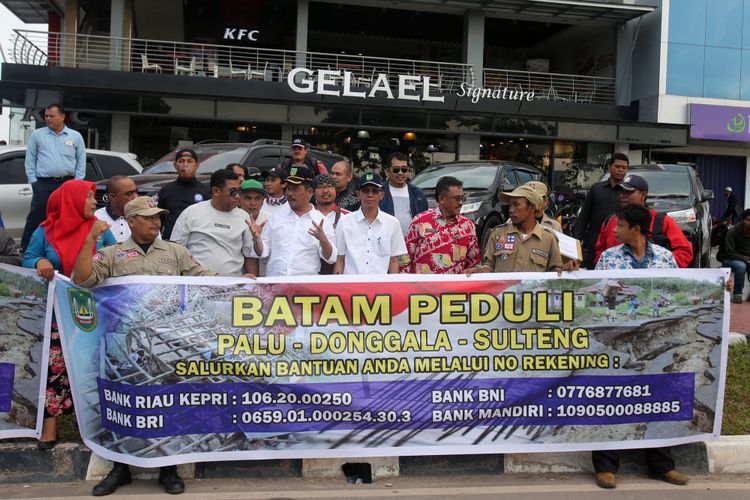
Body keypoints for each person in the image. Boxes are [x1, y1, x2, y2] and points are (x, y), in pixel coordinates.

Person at [72, 196, 217, 496]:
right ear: (131, 222)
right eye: (149, 217)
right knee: (123, 405)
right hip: (125, 347)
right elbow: (82, 278)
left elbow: (206, 281)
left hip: (169, 345)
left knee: (171, 402)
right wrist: (90, 240)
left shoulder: (176, 252)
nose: (156, 222)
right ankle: (120, 469)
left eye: (158, 217)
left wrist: (243, 282)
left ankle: (169, 470)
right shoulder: (112, 254)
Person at [592, 204, 687, 489]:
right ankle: (606, 467)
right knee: (612, 399)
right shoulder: (609, 259)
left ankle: (662, 465)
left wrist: (723, 286)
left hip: (656, 338)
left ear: (636, 229)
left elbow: (678, 292)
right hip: (620, 340)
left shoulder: (665, 258)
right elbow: (598, 296)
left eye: (620, 226)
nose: (614, 230)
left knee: (657, 397)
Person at [22, 180, 117, 450]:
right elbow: (28, 257)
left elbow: (116, 257)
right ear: (70, 201)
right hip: (57, 312)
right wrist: (39, 262)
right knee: (55, 364)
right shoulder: (45, 231)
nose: (94, 203)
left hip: (96, 310)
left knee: (94, 364)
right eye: (88, 197)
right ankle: (49, 426)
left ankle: (96, 422)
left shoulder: (100, 230)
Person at [21, 104, 86, 250]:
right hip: (43, 184)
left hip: (67, 184)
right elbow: (30, 160)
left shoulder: (75, 136)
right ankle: (27, 252)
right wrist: (34, 182)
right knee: (36, 218)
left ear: (62, 117)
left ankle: (64, 251)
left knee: (67, 219)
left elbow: (81, 161)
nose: (48, 119)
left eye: (52, 116)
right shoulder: (37, 135)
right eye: (46, 116)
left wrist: (77, 183)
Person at [594, 175, 693, 268]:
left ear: (643, 195)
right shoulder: (610, 221)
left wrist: (658, 264)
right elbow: (599, 251)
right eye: (622, 192)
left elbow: (685, 252)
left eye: (628, 192)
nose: (623, 196)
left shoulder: (662, 221)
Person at [253, 166, 336, 276]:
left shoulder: (321, 221)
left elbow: (331, 258)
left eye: (295, 189)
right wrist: (257, 239)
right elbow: (262, 252)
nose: (290, 193)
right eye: (289, 188)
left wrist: (323, 240)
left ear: (309, 192)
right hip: (276, 283)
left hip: (305, 287)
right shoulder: (276, 217)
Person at [170, 169, 254, 276]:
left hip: (232, 286)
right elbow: (175, 251)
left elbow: (250, 255)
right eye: (232, 191)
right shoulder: (191, 212)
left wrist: (253, 284)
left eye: (239, 191)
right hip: (196, 283)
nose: (237, 196)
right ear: (216, 191)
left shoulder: (244, 217)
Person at [467, 185, 563, 274]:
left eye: (516, 205)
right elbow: (489, 267)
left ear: (532, 207)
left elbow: (555, 274)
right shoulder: (498, 233)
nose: (510, 210)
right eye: (510, 205)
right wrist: (477, 272)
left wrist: (568, 270)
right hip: (503, 292)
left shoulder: (548, 239)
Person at [334, 172, 407, 275]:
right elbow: (340, 259)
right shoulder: (345, 222)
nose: (370, 195)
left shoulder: (392, 223)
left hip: (380, 286)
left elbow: (393, 260)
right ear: (358, 194)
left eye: (375, 191)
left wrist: (393, 288)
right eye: (365, 190)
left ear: (381, 195)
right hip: (351, 285)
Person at [404, 176, 479, 274]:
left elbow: (473, 262)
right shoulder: (420, 221)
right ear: (442, 199)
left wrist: (474, 271)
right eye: (457, 198)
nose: (461, 202)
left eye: (462, 198)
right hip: (422, 287)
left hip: (454, 288)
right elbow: (405, 258)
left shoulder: (467, 226)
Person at [574, 153, 629, 269]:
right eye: (617, 166)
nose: (620, 170)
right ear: (609, 167)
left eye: (624, 168)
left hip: (618, 246)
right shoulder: (596, 189)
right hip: (592, 245)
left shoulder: (628, 192)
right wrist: (577, 243)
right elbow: (583, 218)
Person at [156, 148, 211, 240]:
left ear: (197, 165)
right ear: (175, 165)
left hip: (197, 243)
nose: (185, 165)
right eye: (181, 161)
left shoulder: (206, 191)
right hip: (171, 244)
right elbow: (158, 219)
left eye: (190, 161)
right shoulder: (166, 190)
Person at [379, 152, 428, 236]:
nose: (400, 173)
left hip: (412, 244)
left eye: (404, 169)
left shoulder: (418, 193)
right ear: (387, 171)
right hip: (386, 243)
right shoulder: (379, 192)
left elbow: (426, 222)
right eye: (396, 169)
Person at [312, 173, 349, 274]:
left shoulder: (348, 217)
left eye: (329, 186)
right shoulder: (306, 216)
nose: (325, 191)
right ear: (312, 192)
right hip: (311, 270)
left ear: (336, 191)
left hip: (340, 269)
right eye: (320, 187)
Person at [238, 179, 271, 277]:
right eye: (248, 198)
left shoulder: (271, 219)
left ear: (263, 200)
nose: (253, 203)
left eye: (258, 198)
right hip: (238, 279)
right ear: (239, 199)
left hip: (267, 279)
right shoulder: (232, 218)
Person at [717, 207, 750, 303]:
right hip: (729, 259)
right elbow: (729, 252)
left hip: (746, 259)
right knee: (741, 266)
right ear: (742, 220)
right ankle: (737, 294)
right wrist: (746, 259)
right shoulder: (733, 231)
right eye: (748, 220)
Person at [94, 176, 139, 242]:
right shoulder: (96, 218)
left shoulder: (144, 216)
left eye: (136, 192)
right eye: (129, 194)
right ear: (112, 197)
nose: (136, 197)